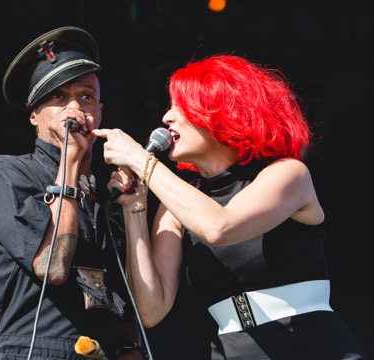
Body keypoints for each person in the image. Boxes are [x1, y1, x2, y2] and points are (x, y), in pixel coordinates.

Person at [92, 54, 367, 359]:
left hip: (308, 344)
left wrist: (143, 162)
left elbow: (219, 227)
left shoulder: (287, 174)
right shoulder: (177, 206)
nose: (167, 117)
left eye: (180, 106)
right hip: (232, 350)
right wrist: (134, 207)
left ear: (221, 110)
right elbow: (151, 310)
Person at [0, 26, 147, 360]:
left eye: (86, 96)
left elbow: (123, 300)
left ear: (100, 113)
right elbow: (53, 268)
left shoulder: (106, 196)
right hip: (28, 351)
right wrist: (69, 162)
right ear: (34, 116)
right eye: (58, 97)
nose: (74, 108)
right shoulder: (5, 173)